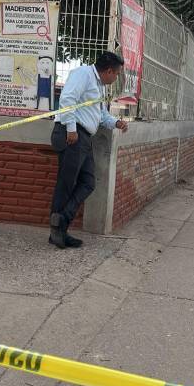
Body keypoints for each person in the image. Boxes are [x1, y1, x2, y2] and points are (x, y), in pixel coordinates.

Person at [49, 52, 129, 249]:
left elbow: (99, 114)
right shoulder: (83, 74)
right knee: (66, 184)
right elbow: (67, 99)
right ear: (108, 71)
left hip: (83, 138)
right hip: (72, 134)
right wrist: (71, 129)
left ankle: (61, 223)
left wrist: (115, 122)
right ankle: (57, 231)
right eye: (116, 74)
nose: (116, 78)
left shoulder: (99, 86)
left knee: (88, 182)